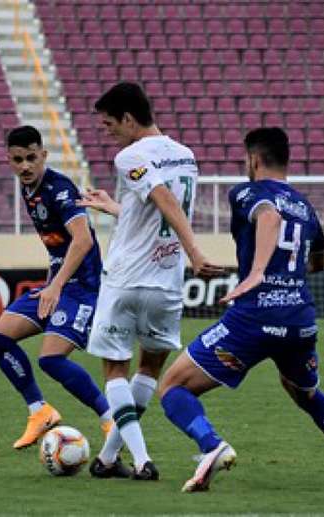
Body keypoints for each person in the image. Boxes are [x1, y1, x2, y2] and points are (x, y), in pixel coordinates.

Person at [157, 127, 324, 492]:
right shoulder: (306, 207)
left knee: (171, 387)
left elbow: (269, 217)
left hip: (256, 319)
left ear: (255, 159)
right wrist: (285, 275)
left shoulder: (248, 192)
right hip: (300, 320)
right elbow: (318, 260)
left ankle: (211, 445)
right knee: (306, 395)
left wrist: (260, 272)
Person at [77, 82, 222, 481]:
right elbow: (159, 210)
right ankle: (108, 459)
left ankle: (142, 461)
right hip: (166, 282)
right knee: (149, 369)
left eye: (109, 124)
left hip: (125, 279)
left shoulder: (130, 156)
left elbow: (163, 199)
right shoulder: (185, 155)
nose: (106, 131)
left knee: (114, 372)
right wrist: (118, 209)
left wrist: (196, 252)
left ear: (128, 118)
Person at [0, 125, 112, 449]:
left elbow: (83, 240)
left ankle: (112, 420)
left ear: (44, 155)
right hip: (56, 283)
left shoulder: (59, 189)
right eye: (17, 160)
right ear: (9, 160)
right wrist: (52, 281)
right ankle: (39, 411)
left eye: (31, 158)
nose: (25, 166)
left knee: (51, 360)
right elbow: (58, 245)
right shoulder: (29, 189)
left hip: (81, 288)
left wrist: (55, 285)